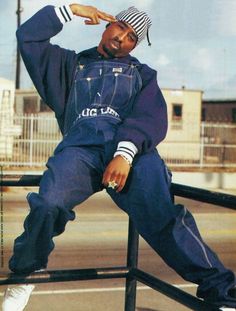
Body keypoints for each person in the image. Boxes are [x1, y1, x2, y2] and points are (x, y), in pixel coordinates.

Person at [2, 3, 236, 311]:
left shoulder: (142, 75)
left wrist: (124, 154)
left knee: (161, 217)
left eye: (132, 37)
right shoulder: (69, 66)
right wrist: (70, 10)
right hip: (80, 152)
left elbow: (151, 118)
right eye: (120, 28)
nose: (122, 38)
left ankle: (222, 293)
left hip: (133, 154)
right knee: (47, 204)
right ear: (106, 26)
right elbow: (28, 37)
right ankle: (24, 273)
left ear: (134, 46)